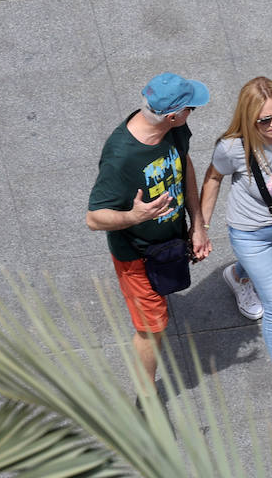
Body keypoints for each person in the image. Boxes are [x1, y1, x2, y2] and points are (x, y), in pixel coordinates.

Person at [197, 77, 272, 428]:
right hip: (251, 234)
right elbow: (213, 178)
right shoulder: (233, 148)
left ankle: (238, 275)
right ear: (248, 119)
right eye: (263, 120)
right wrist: (201, 226)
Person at [87, 72, 210, 385]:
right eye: (190, 109)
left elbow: (184, 164)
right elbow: (94, 218)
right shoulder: (120, 157)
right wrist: (134, 216)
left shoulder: (174, 130)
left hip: (170, 240)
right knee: (152, 328)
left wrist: (197, 224)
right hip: (136, 256)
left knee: (159, 308)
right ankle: (146, 395)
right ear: (171, 116)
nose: (192, 113)